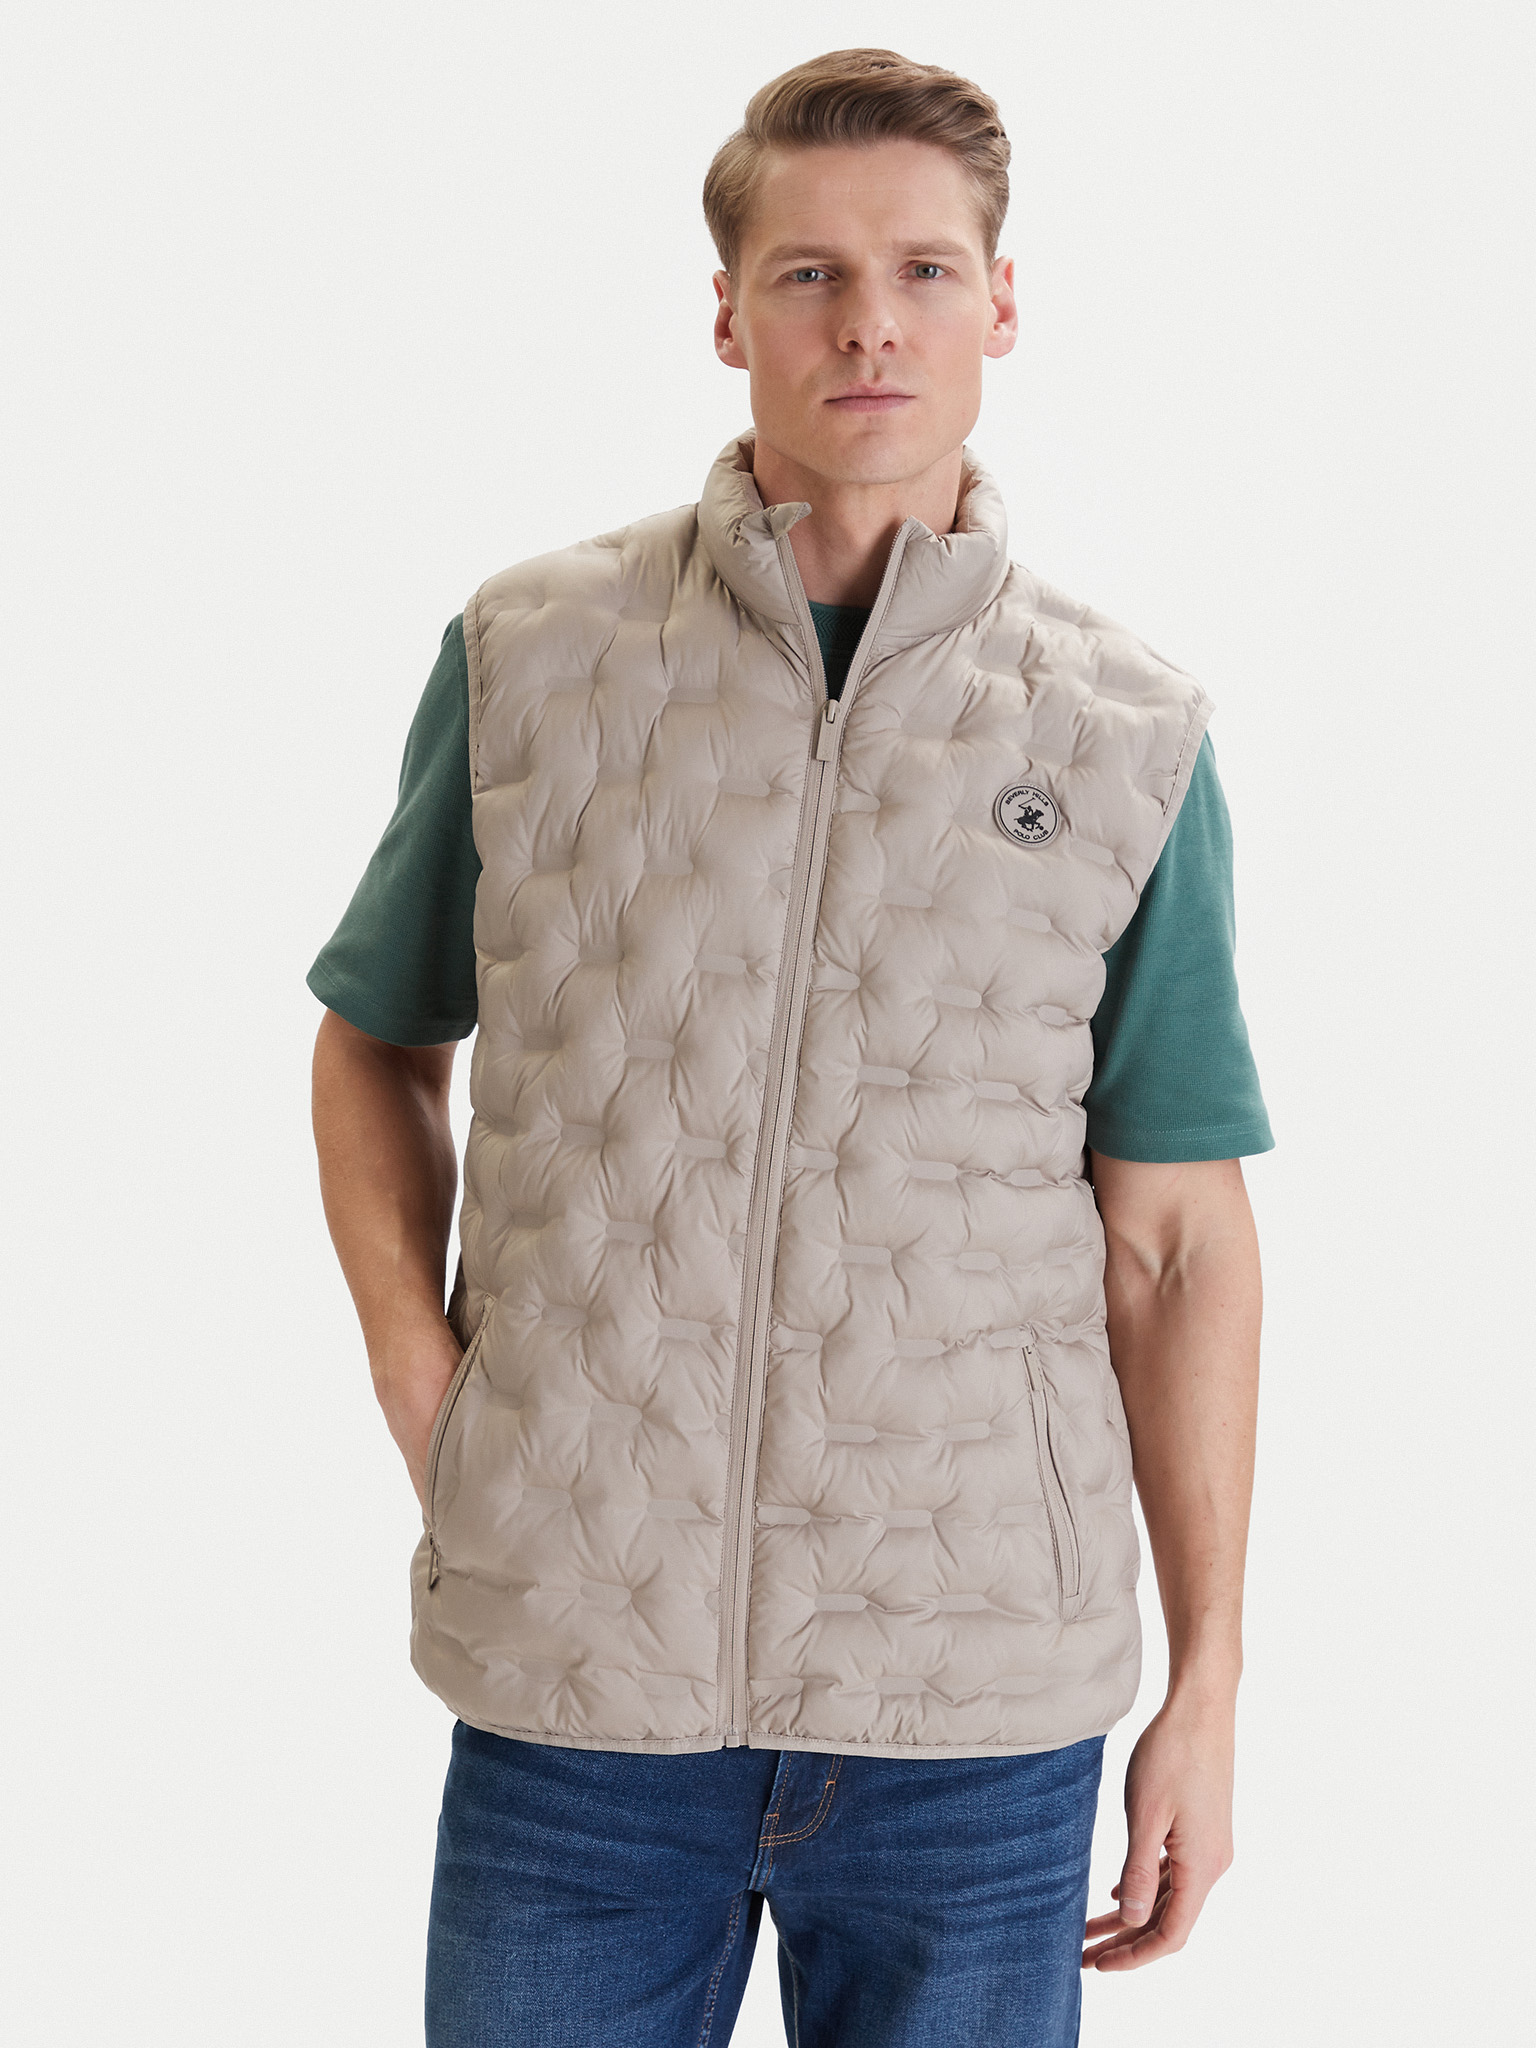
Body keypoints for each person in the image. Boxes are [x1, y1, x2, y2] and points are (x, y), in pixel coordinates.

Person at [308, 47, 1269, 2048]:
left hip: (977, 1713)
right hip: (576, 1680)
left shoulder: (1127, 737)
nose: (869, 325)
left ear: (1003, 304)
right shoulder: (529, 657)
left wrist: (1210, 1680)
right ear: (729, 313)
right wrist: (425, 1376)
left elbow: (1178, 1237)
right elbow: (376, 1038)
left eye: (924, 271)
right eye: (811, 274)